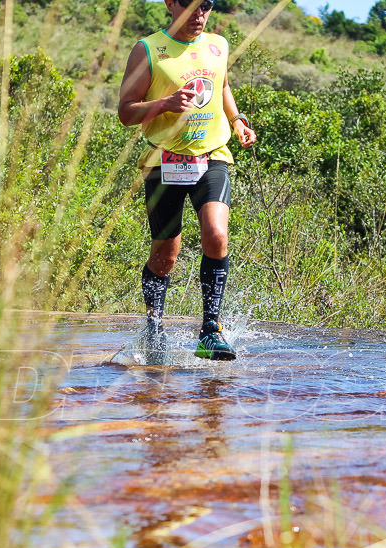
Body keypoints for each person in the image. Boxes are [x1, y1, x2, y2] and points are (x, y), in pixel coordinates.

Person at [117, 0, 256, 361]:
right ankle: (154, 327)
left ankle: (210, 331)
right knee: (166, 256)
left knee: (217, 234)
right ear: (169, 3)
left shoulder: (218, 45)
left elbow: (222, 85)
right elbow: (125, 112)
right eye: (191, 5)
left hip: (211, 156)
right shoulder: (148, 50)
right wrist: (164, 104)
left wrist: (237, 120)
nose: (199, 13)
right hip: (163, 161)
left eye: (206, 5)